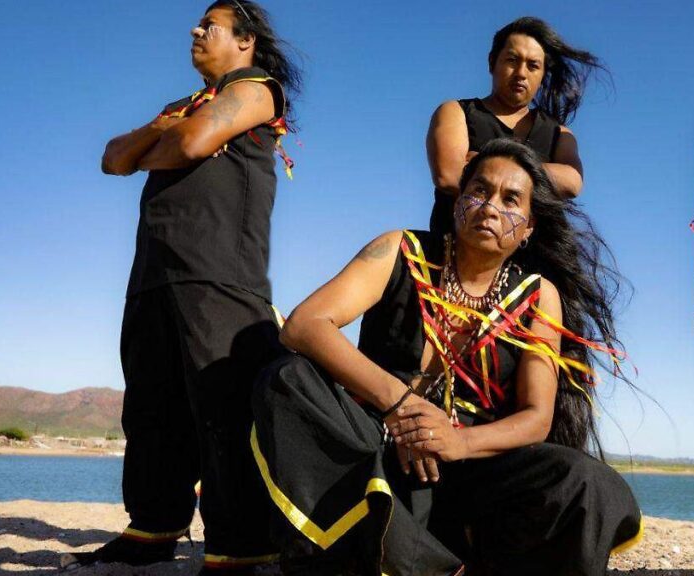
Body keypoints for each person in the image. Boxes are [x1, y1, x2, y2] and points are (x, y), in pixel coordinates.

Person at [252, 139, 642, 575]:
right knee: (286, 378)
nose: (490, 207)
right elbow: (305, 324)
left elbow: (536, 418)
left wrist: (458, 442)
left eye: (510, 200)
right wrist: (401, 406)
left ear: (529, 227)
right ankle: (430, 567)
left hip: (470, 472)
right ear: (458, 203)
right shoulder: (400, 250)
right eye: (480, 191)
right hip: (374, 448)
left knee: (589, 483)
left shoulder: (537, 295)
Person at [89, 1, 302, 572]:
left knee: (223, 406)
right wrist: (159, 130)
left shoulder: (257, 89)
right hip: (154, 272)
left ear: (245, 40)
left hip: (220, 272)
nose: (195, 29)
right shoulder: (178, 108)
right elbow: (112, 159)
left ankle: (241, 545)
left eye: (211, 25)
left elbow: (193, 143)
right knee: (151, 404)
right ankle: (153, 528)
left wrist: (159, 146)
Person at [426, 17, 605, 237]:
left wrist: (480, 164)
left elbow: (572, 182)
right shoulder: (456, 112)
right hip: (456, 248)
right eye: (512, 60)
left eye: (533, 66)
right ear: (492, 62)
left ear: (543, 74)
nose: (521, 73)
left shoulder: (559, 134)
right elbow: (449, 175)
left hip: (537, 253)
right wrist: (537, 179)